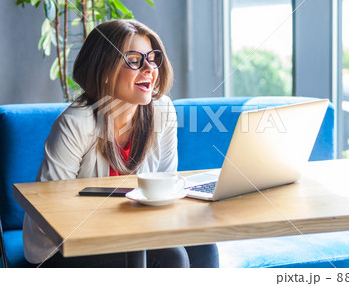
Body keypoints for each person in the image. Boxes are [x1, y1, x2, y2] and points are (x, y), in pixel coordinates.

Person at [22, 19, 219, 268]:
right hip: (64, 244)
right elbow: (50, 213)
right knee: (170, 256)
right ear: (104, 72)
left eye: (152, 57)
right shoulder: (76, 122)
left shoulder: (162, 110)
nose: (149, 68)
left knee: (203, 243)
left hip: (135, 229)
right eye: (134, 60)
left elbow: (166, 185)